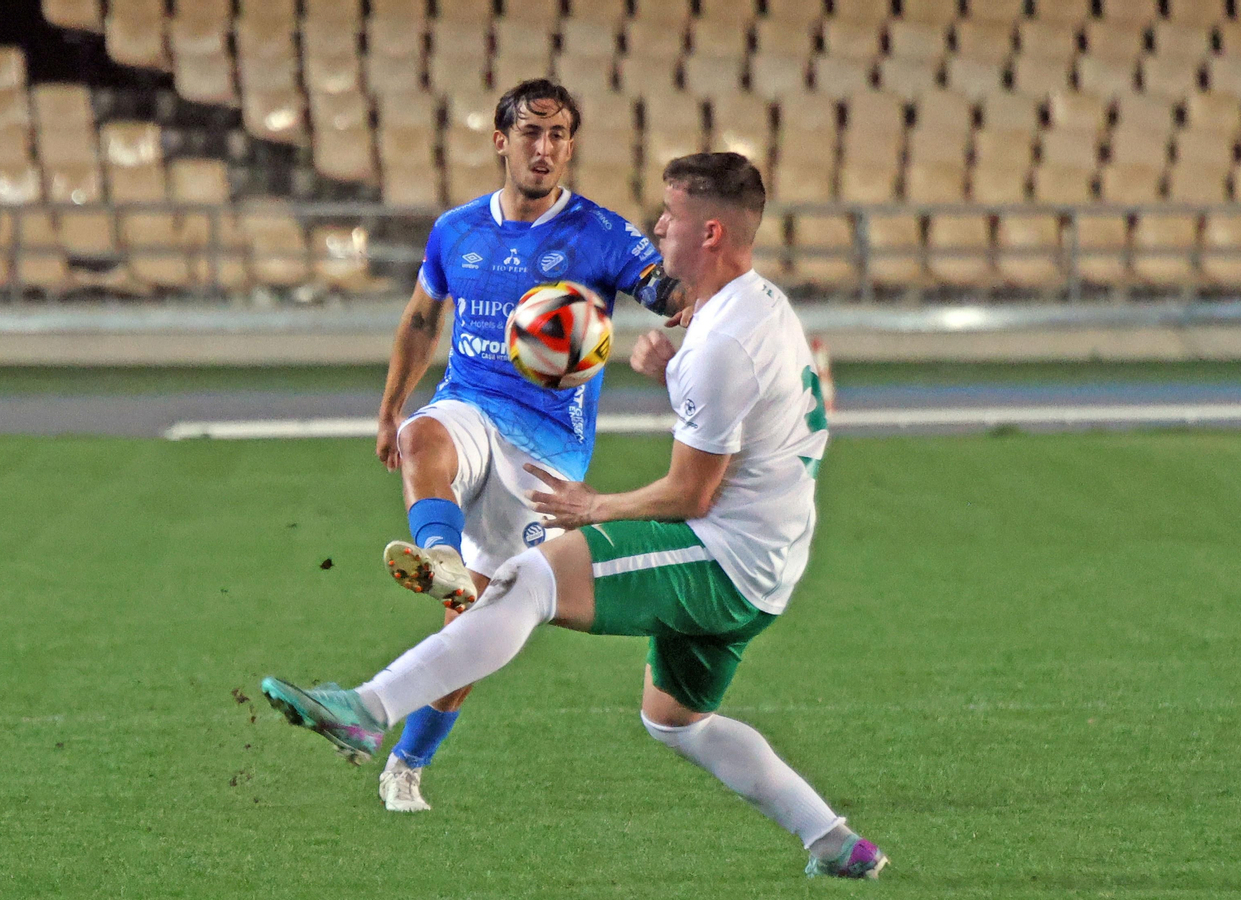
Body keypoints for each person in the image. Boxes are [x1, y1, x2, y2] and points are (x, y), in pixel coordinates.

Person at [264, 152, 888, 879]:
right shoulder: (752, 308)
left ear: (711, 233)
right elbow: (739, 405)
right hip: (771, 559)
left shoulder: (721, 346)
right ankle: (835, 842)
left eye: (672, 217)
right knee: (675, 721)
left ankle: (367, 709)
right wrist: (670, 371)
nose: (658, 226)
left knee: (527, 582)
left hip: (725, 557)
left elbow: (691, 497)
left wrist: (597, 506)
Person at [370, 79, 683, 812]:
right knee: (423, 436)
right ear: (500, 140)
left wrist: (689, 309)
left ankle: (406, 764)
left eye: (560, 135)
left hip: (546, 457)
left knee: (469, 629)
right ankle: (439, 556)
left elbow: (669, 292)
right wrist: (389, 411)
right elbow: (421, 322)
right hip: (470, 406)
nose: (545, 149)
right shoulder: (455, 230)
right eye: (532, 133)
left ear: (571, 145)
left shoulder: (601, 233)